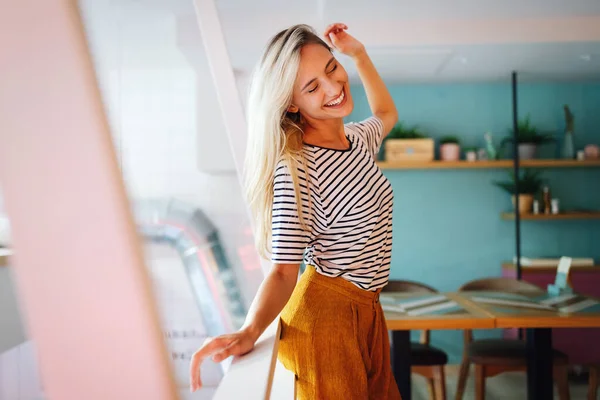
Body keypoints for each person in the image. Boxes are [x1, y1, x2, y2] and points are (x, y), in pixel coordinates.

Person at [190, 22, 400, 399]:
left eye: (331, 69)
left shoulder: (357, 140)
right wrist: (250, 330)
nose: (334, 88)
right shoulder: (297, 168)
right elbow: (284, 272)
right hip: (326, 317)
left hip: (369, 308)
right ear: (291, 103)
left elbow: (386, 112)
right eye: (312, 86)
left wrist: (359, 55)